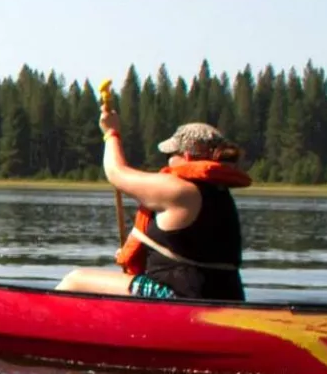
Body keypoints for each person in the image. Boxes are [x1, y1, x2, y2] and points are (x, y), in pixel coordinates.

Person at [56, 119, 249, 301]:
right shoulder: (220, 195)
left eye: (169, 156)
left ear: (187, 156)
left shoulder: (180, 190)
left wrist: (111, 133)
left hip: (179, 299)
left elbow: (116, 173)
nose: (166, 163)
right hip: (227, 299)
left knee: (75, 280)